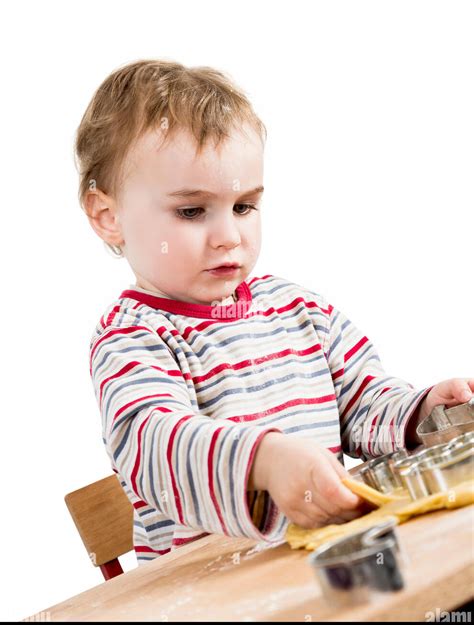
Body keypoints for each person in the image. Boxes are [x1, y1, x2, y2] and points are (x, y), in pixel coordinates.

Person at [75, 59, 474, 565]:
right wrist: (263, 462)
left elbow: (363, 402)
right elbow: (154, 444)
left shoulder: (299, 309)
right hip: (216, 596)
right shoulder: (132, 337)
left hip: (329, 565)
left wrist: (421, 412)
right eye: (192, 211)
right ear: (109, 217)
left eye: (244, 206)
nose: (229, 235)